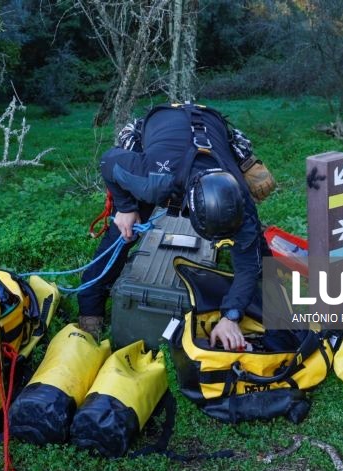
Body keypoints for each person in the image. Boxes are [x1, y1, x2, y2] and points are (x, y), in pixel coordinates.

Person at [77, 102, 275, 350]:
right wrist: (126, 208)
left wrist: (231, 315)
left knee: (253, 244)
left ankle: (272, 287)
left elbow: (247, 265)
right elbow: (109, 161)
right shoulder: (152, 179)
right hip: (163, 128)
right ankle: (89, 309)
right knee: (122, 235)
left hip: (210, 124)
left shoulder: (240, 197)